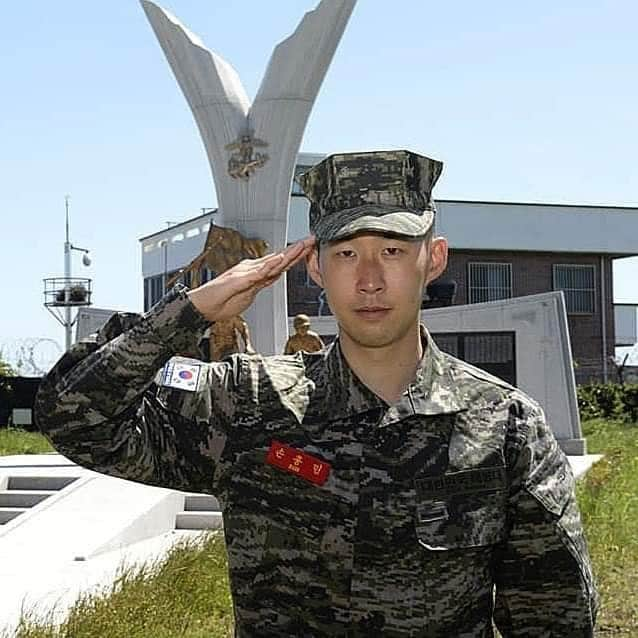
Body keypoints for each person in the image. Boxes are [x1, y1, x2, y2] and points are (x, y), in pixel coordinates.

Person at [35, 150, 597, 637]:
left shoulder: (504, 424)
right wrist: (190, 313)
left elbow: (553, 615)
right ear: (315, 266)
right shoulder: (248, 404)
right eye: (347, 253)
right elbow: (76, 419)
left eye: (395, 251)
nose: (370, 279)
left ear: (435, 259)